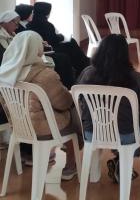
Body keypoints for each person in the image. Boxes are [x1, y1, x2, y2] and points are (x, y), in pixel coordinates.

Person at [0, 31, 82, 180]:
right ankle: (71, 165)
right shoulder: (44, 75)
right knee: (74, 119)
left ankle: (48, 153)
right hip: (43, 129)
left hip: (19, 128)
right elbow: (64, 102)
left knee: (45, 112)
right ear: (37, 49)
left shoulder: (5, 73)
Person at [77, 34, 140, 183]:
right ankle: (122, 159)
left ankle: (110, 165)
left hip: (92, 132)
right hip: (124, 134)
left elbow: (80, 101)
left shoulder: (87, 74)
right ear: (125, 54)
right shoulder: (135, 77)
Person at [27, 2, 89, 77]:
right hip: (49, 48)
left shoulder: (29, 25)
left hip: (43, 47)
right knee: (71, 44)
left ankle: (82, 64)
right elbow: (53, 40)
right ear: (46, 13)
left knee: (71, 43)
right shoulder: (47, 25)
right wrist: (61, 36)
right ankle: (83, 65)